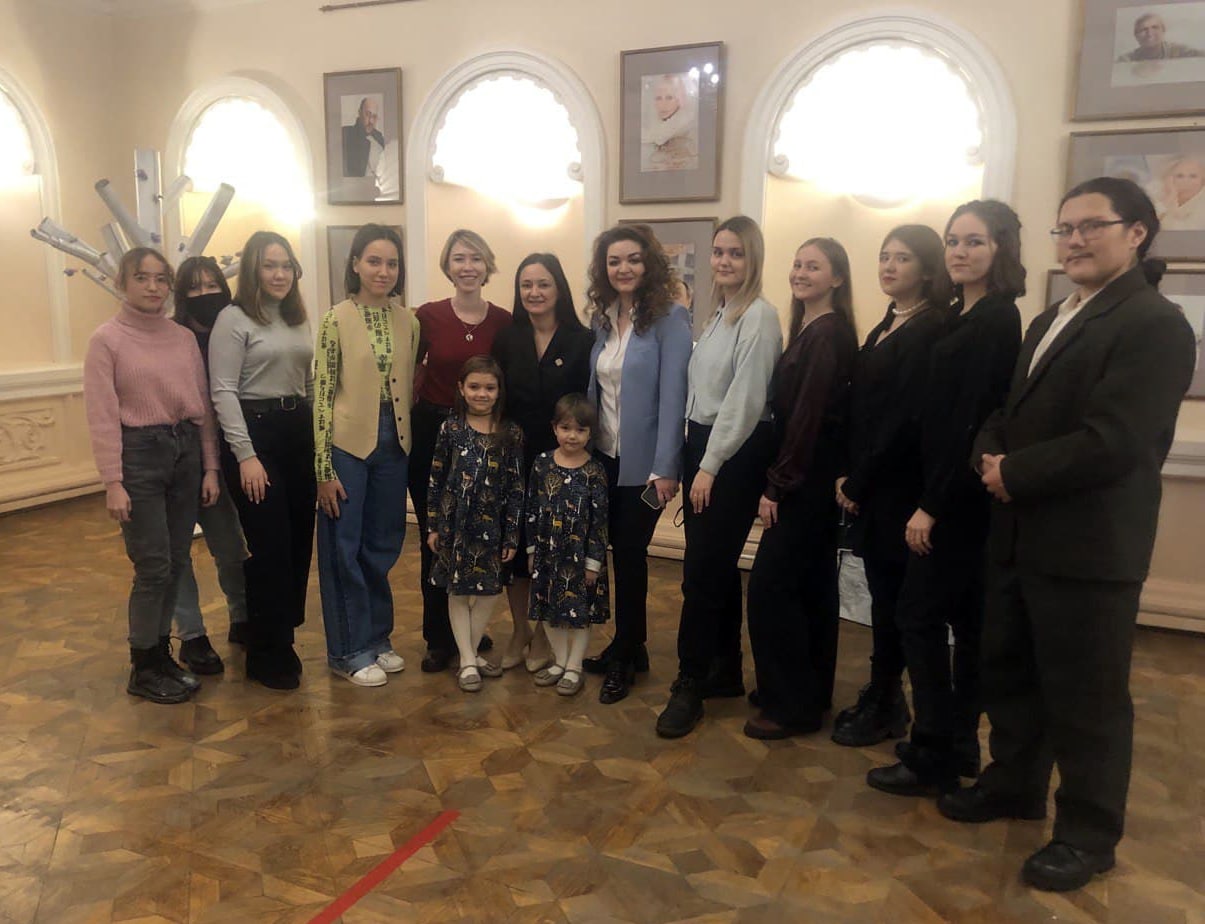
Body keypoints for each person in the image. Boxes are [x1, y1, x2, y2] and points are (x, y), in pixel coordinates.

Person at [938, 177, 1196, 893]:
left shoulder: (1154, 324)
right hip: (1020, 535)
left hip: (1088, 547)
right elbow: (1008, 410)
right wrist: (989, 455)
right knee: (1011, 674)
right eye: (1064, 229)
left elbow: (1116, 440)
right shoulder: (1054, 315)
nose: (1074, 241)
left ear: (1136, 233)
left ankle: (1087, 834)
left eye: (1091, 226)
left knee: (1087, 699)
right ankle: (1013, 784)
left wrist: (1013, 472)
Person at [865, 201, 1024, 796]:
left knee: (919, 616)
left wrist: (931, 504)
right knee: (956, 621)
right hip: (944, 491)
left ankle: (931, 750)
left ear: (1001, 249)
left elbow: (969, 422)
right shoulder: (963, 313)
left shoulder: (996, 319)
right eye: (954, 240)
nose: (960, 251)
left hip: (957, 501)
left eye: (974, 242)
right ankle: (955, 743)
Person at [655, 216, 782, 739]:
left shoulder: (759, 317)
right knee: (718, 568)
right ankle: (723, 669)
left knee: (702, 573)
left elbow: (746, 401)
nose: (725, 261)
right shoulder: (719, 314)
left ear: (754, 259)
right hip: (704, 444)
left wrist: (710, 465)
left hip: (732, 451)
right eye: (719, 252)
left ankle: (689, 682)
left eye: (736, 253)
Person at [832, 225, 953, 748]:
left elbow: (903, 419)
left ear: (926, 268)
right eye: (884, 256)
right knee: (882, 599)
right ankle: (884, 694)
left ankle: (887, 700)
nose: (889, 266)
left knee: (898, 604)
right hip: (871, 485)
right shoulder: (888, 322)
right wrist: (847, 472)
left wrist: (858, 480)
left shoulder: (930, 327)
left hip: (899, 487)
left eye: (902, 258)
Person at [83, 247, 220, 704]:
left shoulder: (182, 338)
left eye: (161, 278)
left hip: (186, 452)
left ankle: (162, 657)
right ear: (123, 282)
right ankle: (143, 666)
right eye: (141, 277)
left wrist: (210, 467)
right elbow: (102, 416)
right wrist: (113, 482)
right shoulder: (106, 340)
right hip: (139, 456)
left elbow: (203, 408)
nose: (153, 286)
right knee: (153, 566)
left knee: (177, 561)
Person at [744, 238, 859, 739]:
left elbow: (808, 419)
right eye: (797, 264)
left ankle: (790, 704)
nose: (801, 273)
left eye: (814, 266)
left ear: (837, 278)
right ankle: (805, 692)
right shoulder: (812, 329)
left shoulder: (826, 334)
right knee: (811, 588)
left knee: (771, 589)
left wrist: (777, 485)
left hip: (803, 483)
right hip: (810, 479)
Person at [581, 224, 691, 705]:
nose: (623, 268)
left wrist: (666, 467)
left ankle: (625, 654)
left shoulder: (670, 319)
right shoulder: (604, 319)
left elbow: (674, 397)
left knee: (629, 555)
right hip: (604, 457)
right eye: (613, 261)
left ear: (649, 264)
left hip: (646, 467)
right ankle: (632, 645)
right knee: (616, 552)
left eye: (632, 259)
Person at [209, 231, 316, 691]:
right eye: (270, 265)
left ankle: (283, 636)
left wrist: (318, 441)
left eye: (286, 265)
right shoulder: (233, 319)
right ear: (253, 270)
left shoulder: (296, 318)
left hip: (297, 431)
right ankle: (264, 652)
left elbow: (307, 382)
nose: (279, 274)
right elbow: (223, 391)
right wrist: (246, 455)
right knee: (269, 545)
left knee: (298, 541)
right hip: (255, 435)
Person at [313, 224, 419, 687]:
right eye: (374, 261)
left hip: (394, 445)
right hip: (347, 447)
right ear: (355, 263)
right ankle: (347, 650)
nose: (383, 271)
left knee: (382, 545)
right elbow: (322, 395)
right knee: (344, 548)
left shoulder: (408, 321)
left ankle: (377, 637)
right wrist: (323, 468)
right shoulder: (335, 319)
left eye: (391, 263)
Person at [411, 230, 512, 673]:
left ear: (487, 265)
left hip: (485, 436)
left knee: (478, 534)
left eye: (475, 258)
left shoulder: (505, 321)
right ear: (447, 266)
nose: (467, 266)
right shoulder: (427, 316)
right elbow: (409, 373)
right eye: (458, 258)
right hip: (433, 433)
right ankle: (438, 637)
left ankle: (468, 630)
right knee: (435, 536)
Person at [492, 254, 593, 672]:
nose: (534, 292)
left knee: (553, 549)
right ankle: (520, 629)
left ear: (559, 289)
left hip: (563, 462)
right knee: (516, 550)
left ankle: (544, 634)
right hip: (514, 459)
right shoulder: (506, 338)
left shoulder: (582, 340)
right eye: (526, 285)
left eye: (543, 284)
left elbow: (586, 407)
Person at [426, 356, 525, 693]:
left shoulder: (511, 433)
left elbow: (516, 486)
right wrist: (433, 525)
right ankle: (468, 659)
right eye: (474, 386)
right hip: (455, 525)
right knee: (457, 591)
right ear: (461, 388)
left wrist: (511, 533)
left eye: (489, 388)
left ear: (499, 391)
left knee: (487, 592)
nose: (482, 394)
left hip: (493, 528)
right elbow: (436, 478)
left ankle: (468, 654)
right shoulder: (450, 429)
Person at [169, 257, 249, 674]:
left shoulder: (234, 329)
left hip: (226, 455)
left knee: (230, 545)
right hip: (180, 457)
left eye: (211, 285)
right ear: (182, 295)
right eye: (194, 287)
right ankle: (192, 634)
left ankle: (242, 616)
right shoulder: (172, 339)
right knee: (177, 552)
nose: (205, 294)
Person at [526, 394, 610, 696]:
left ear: (590, 433)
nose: (572, 436)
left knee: (579, 613)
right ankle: (560, 661)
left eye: (580, 430)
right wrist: (532, 550)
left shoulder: (595, 471)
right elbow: (532, 507)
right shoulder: (542, 464)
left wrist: (593, 563)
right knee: (549, 610)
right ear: (554, 428)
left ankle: (574, 666)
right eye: (565, 428)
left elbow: (600, 521)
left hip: (580, 558)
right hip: (547, 553)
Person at [641, 73, 698, 171]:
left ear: (679, 100)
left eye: (669, 98)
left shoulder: (688, 129)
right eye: (658, 98)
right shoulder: (649, 129)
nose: (663, 104)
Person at [1116, 12, 1204, 62]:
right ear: (1136, 35)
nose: (1149, 33)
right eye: (1143, 29)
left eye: (1155, 27)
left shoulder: (1178, 51)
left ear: (1163, 30)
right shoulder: (1126, 60)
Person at [1153, 154, 1205, 231]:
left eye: (1193, 176)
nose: (1186, 181)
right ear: (1168, 178)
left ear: (1203, 180)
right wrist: (1169, 198)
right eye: (1180, 176)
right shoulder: (1157, 191)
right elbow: (1144, 222)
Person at [343, 97, 385, 177]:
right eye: (368, 114)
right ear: (359, 113)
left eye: (374, 116)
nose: (371, 121)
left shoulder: (380, 138)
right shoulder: (345, 134)